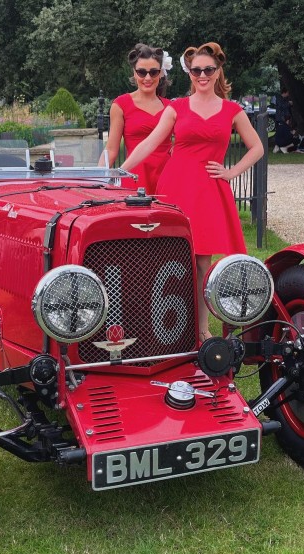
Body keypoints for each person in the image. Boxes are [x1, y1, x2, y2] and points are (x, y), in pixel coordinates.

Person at [120, 42, 264, 342]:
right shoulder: (177, 108)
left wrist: (231, 172)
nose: (202, 74)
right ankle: (158, 328)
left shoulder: (232, 110)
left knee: (202, 263)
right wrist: (120, 171)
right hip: (176, 188)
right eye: (196, 69)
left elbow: (257, 147)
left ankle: (201, 330)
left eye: (208, 69)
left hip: (209, 191)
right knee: (166, 257)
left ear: (217, 71)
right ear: (189, 73)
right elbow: (148, 143)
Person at [100, 43, 172, 194]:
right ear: (134, 73)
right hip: (135, 177)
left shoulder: (170, 107)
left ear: (160, 73)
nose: (147, 78)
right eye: (142, 72)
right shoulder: (121, 105)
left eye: (153, 72)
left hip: (167, 177)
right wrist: (96, 180)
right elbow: (111, 149)